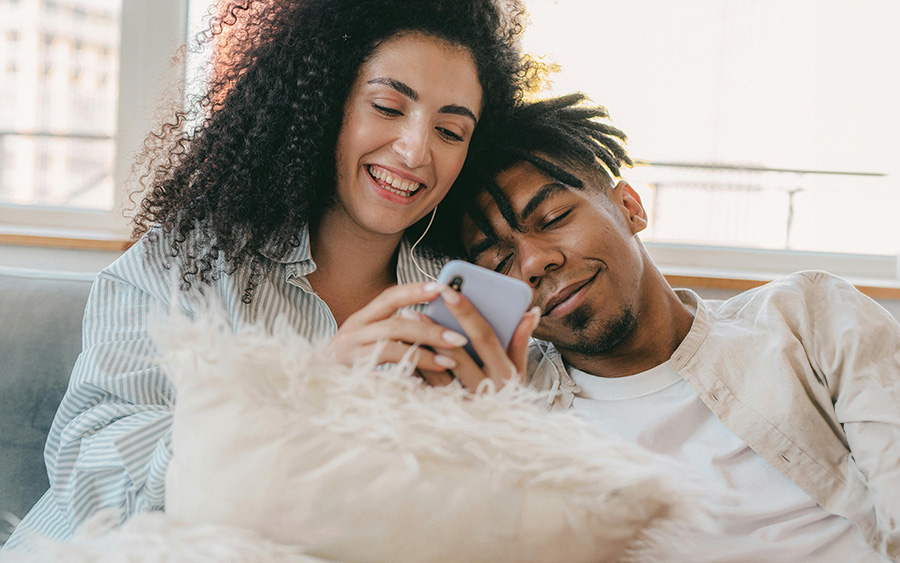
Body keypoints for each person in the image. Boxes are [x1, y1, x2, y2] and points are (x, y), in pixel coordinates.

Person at [4, 0, 542, 548]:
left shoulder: (460, 311)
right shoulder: (183, 264)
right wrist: (304, 390)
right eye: (386, 106)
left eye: (451, 132)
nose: (414, 150)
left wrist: (496, 436)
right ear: (326, 102)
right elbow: (92, 477)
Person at [448, 94, 900, 561]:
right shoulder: (505, 411)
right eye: (500, 260)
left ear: (630, 207)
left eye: (555, 218)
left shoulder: (807, 315)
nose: (536, 261)